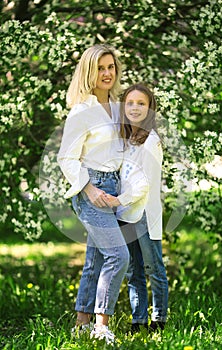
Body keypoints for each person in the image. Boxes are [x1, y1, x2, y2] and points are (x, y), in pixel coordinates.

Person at [57, 44, 130, 345]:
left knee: (96, 260)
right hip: (91, 189)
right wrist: (89, 189)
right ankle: (102, 325)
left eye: (111, 67)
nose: (107, 73)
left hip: (114, 188)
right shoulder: (82, 110)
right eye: (100, 68)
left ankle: (81, 323)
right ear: (89, 72)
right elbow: (66, 157)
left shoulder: (116, 107)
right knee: (118, 255)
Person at [104, 83, 169, 333]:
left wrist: (118, 200)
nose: (134, 108)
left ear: (150, 109)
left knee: (154, 268)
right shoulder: (125, 139)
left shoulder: (151, 141)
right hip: (125, 215)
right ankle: (138, 319)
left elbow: (145, 185)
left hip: (143, 214)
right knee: (134, 271)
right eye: (130, 103)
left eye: (141, 103)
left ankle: (158, 320)